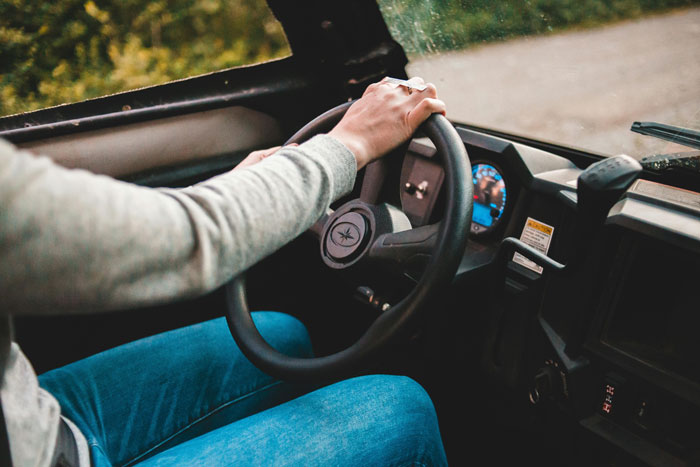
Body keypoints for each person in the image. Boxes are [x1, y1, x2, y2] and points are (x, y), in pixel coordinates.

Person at [0, 77, 448, 466]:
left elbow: (93, 237)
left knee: (280, 335)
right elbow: (180, 242)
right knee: (402, 410)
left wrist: (228, 193)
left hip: (35, 420)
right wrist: (351, 143)